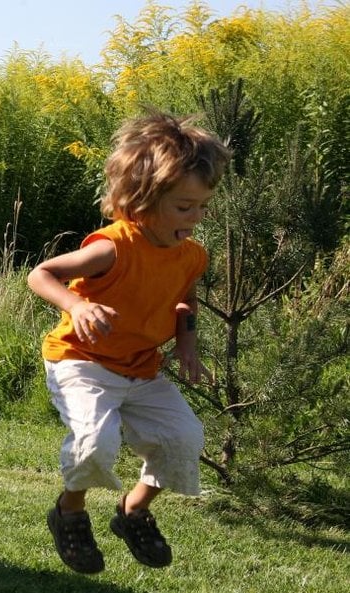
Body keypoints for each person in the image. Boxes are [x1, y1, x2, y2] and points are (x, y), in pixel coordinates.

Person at [27, 111, 231, 574]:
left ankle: (133, 511)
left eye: (203, 206)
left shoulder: (190, 255)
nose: (197, 217)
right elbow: (41, 275)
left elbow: (185, 302)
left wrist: (187, 346)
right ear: (142, 201)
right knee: (95, 442)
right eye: (185, 207)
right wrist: (77, 307)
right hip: (82, 361)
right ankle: (69, 512)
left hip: (141, 368)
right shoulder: (113, 247)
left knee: (184, 437)